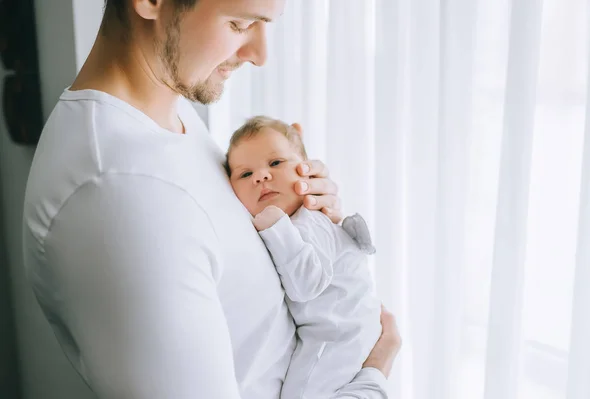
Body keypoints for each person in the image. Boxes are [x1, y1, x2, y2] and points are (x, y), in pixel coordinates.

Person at [21, 1, 401, 398]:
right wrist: (372, 376)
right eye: (239, 24)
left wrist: (303, 214)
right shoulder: (118, 193)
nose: (260, 55)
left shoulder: (169, 114)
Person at [226, 116, 382, 399]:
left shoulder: (310, 222)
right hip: (342, 332)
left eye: (275, 163)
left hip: (338, 337)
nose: (261, 176)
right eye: (245, 174)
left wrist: (276, 227)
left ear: (307, 171)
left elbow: (307, 284)